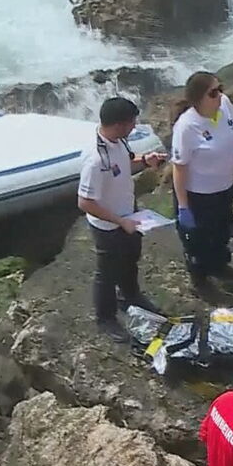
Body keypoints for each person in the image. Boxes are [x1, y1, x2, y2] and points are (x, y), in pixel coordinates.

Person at [77, 97, 167, 342]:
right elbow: (85, 202)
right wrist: (119, 221)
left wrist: (145, 161)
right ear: (118, 124)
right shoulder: (96, 160)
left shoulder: (118, 141)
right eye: (131, 123)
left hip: (128, 212)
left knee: (131, 256)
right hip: (109, 225)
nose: (134, 127)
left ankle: (130, 295)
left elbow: (125, 162)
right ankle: (105, 318)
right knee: (107, 273)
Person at [171, 71, 233, 287]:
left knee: (222, 231)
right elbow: (179, 168)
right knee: (198, 240)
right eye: (213, 93)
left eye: (220, 89)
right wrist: (183, 206)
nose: (219, 95)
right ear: (198, 98)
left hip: (223, 187)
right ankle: (199, 275)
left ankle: (219, 265)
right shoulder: (187, 126)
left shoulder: (225, 106)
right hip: (198, 195)